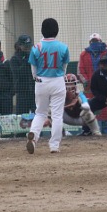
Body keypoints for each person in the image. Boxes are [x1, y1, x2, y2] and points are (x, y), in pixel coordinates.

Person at [26, 18, 70, 154]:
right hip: (57, 81)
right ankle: (54, 145)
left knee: (40, 113)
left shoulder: (36, 47)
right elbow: (64, 68)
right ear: (56, 31)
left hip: (41, 82)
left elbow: (33, 68)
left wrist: (36, 78)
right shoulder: (63, 47)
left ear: (42, 31)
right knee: (57, 115)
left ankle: (33, 136)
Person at [77, 33, 107, 134]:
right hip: (91, 89)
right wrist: (86, 81)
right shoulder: (84, 54)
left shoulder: (105, 53)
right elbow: (80, 71)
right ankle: (89, 130)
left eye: (95, 41)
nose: (94, 43)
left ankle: (105, 132)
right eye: (93, 41)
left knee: (104, 110)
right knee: (90, 110)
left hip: (100, 89)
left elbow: (80, 71)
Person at [10, 34, 36, 114]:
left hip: (34, 92)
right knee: (21, 117)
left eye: (29, 46)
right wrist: (26, 61)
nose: (28, 48)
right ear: (20, 46)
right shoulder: (15, 59)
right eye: (25, 46)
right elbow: (17, 73)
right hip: (22, 93)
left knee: (38, 114)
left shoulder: (34, 57)